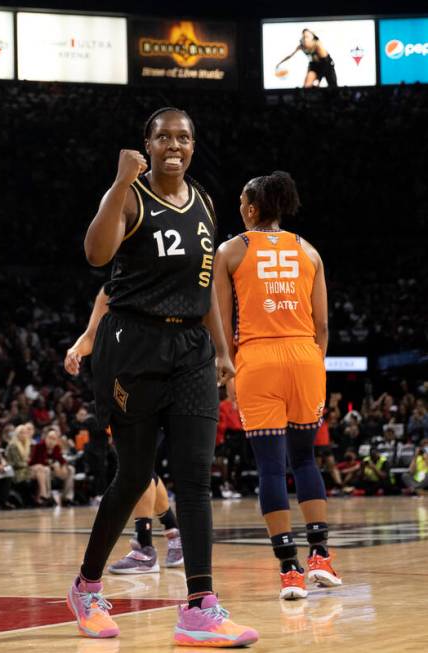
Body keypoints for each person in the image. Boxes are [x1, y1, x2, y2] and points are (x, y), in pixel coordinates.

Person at [70, 107, 256, 646]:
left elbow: (204, 293)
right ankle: (86, 587)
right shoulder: (130, 195)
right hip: (133, 344)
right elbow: (94, 253)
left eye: (184, 137)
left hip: (191, 349)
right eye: (164, 137)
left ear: (194, 146)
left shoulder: (204, 202)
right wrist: (118, 181)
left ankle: (199, 606)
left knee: (196, 480)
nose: (174, 145)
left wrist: (223, 351)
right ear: (147, 144)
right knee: (134, 477)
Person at [215, 170, 342, 601]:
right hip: (305, 357)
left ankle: (289, 571)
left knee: (271, 467)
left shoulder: (231, 250)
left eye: (240, 202)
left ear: (251, 208)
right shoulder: (309, 250)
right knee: (306, 461)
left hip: (258, 359)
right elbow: (322, 324)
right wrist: (312, 363)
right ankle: (320, 556)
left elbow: (219, 320)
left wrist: (226, 366)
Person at [65, 290, 186, 573]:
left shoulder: (162, 285)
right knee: (141, 467)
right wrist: (75, 350)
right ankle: (172, 532)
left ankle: (145, 546)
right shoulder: (110, 291)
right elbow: (92, 336)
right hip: (118, 389)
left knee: (138, 467)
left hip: (157, 385)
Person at [5, 422, 51, 506]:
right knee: (40, 468)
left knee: (44, 469)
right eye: (21, 433)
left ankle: (41, 497)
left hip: (26, 469)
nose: (23, 435)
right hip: (17, 472)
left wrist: (31, 462)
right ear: (17, 434)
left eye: (25, 433)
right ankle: (43, 495)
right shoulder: (13, 446)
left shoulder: (27, 444)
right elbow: (16, 463)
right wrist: (29, 463)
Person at [30, 426, 75, 506]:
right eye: (50, 438)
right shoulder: (39, 446)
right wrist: (53, 465)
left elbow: (61, 460)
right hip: (40, 470)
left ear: (57, 440)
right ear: (45, 438)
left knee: (71, 469)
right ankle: (47, 497)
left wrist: (63, 466)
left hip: (53, 471)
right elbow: (37, 462)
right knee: (46, 469)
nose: (51, 441)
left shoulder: (56, 448)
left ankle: (67, 497)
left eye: (54, 439)